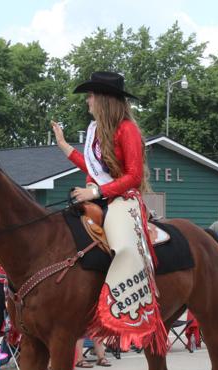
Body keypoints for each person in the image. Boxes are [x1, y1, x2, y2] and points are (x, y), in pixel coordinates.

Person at [51, 71, 167, 354]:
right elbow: (93, 170)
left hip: (122, 199)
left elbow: (133, 176)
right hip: (99, 195)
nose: (87, 101)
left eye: (91, 96)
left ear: (103, 99)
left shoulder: (127, 129)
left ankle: (128, 311)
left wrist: (96, 192)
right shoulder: (94, 130)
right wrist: (65, 147)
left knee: (124, 247)